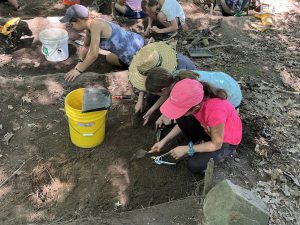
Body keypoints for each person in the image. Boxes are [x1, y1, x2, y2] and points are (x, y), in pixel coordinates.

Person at [149, 79, 242, 173]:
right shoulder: (197, 99)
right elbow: (181, 124)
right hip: (210, 129)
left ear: (195, 108)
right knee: (182, 118)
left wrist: (187, 149)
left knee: (193, 165)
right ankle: (201, 143)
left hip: (226, 142)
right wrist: (163, 141)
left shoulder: (215, 112)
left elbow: (216, 144)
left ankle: (225, 153)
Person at [60, 4, 144, 82]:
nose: (72, 26)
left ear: (79, 21)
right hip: (135, 40)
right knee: (108, 58)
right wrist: (80, 62)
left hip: (132, 53)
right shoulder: (91, 24)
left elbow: (93, 54)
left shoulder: (96, 26)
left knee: (117, 59)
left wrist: (78, 70)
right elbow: (86, 46)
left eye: (72, 23)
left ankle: (136, 63)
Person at [145, 69, 242, 128]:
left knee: (189, 119)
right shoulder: (175, 76)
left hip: (232, 95)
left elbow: (189, 109)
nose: (159, 96)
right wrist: (152, 110)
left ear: (163, 89)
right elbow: (167, 95)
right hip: (224, 79)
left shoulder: (189, 91)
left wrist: (168, 116)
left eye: (157, 94)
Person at [128, 42, 196, 125]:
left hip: (186, 90)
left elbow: (169, 93)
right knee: (150, 98)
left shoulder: (179, 72)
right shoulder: (152, 61)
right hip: (168, 85)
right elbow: (162, 90)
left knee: (179, 118)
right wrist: (141, 100)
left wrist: (165, 115)